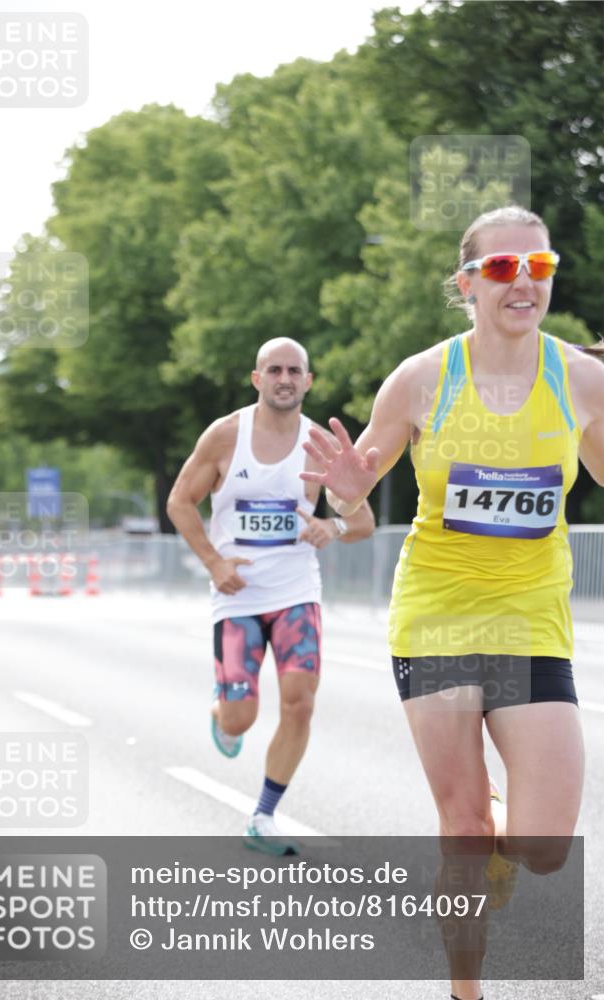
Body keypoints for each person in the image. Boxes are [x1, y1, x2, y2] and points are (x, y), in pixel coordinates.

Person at [300, 205, 604, 1000]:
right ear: (466, 284)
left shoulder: (579, 380)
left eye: (537, 268)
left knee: (541, 847)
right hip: (435, 610)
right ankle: (464, 992)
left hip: (530, 617)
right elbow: (355, 515)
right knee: (464, 827)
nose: (522, 283)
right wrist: (351, 500)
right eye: (502, 269)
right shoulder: (423, 378)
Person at [167, 337, 375, 856]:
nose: (285, 378)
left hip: (296, 592)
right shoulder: (225, 436)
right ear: (257, 379)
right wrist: (214, 562)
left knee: (300, 703)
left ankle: (263, 814)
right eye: (274, 370)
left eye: (295, 371)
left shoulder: (320, 448)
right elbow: (179, 502)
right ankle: (222, 714)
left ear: (308, 381)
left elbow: (363, 520)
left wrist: (333, 525)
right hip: (237, 596)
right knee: (241, 716)